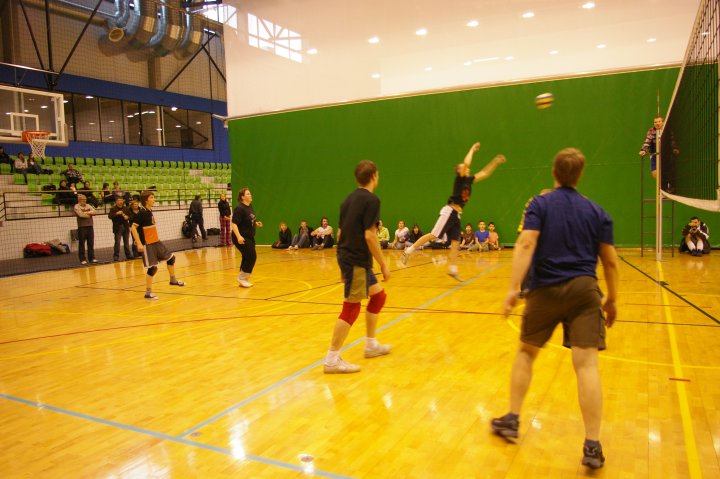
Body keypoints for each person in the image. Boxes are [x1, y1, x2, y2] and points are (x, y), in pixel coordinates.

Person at [492, 147, 619, 470]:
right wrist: (612, 299)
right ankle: (592, 444)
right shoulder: (597, 211)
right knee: (586, 365)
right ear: (580, 175)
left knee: (526, 353)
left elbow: (526, 242)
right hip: (584, 291)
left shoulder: (539, 204)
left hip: (544, 290)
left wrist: (512, 288)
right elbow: (610, 262)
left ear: (554, 173)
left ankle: (512, 419)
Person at [402, 142, 506, 280]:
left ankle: (452, 269)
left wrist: (495, 162)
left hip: (457, 215)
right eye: (462, 167)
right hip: (449, 211)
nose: (466, 167)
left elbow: (485, 173)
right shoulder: (460, 180)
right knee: (433, 235)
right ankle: (408, 251)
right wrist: (472, 149)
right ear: (459, 171)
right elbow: (467, 163)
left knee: (456, 243)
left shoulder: (469, 181)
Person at [324, 160, 391, 374]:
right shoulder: (371, 200)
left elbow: (340, 234)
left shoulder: (347, 200)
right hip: (356, 260)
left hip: (350, 258)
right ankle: (331, 360)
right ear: (374, 176)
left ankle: (371, 344)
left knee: (378, 297)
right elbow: (370, 235)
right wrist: (383, 264)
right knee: (351, 307)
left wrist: (341, 266)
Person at [130, 190, 185, 300]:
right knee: (153, 268)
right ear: (146, 200)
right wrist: (139, 243)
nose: (154, 199)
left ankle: (173, 280)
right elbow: (133, 228)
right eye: (151, 197)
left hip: (156, 241)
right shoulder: (142, 212)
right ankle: (148, 293)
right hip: (147, 244)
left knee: (171, 258)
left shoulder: (149, 211)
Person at [231, 187, 263, 287]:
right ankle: (242, 278)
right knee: (252, 256)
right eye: (248, 194)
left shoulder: (249, 206)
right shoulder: (239, 208)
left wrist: (256, 223)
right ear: (242, 197)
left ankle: (243, 279)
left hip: (249, 236)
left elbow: (249, 218)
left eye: (250, 193)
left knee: (247, 256)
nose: (250, 195)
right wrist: (239, 236)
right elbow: (234, 224)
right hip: (241, 237)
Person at [74, 194, 98, 265]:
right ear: (79, 200)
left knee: (91, 243)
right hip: (82, 227)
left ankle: (92, 258)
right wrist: (90, 214)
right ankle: (82, 259)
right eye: (83, 199)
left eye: (85, 199)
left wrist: (86, 212)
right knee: (82, 243)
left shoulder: (88, 205)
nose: (84, 201)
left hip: (90, 226)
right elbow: (81, 215)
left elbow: (95, 212)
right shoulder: (76, 206)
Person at [108, 197, 133, 261]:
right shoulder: (113, 208)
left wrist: (127, 217)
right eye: (119, 200)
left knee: (126, 242)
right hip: (117, 227)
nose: (120, 202)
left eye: (121, 200)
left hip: (126, 227)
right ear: (116, 201)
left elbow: (131, 216)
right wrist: (116, 213)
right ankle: (116, 256)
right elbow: (110, 216)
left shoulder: (126, 208)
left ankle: (128, 255)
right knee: (117, 243)